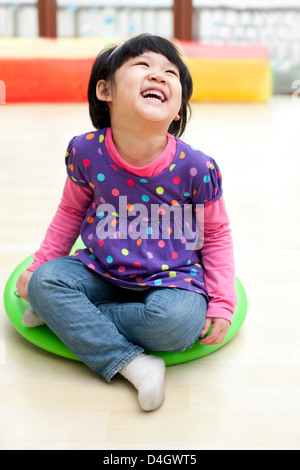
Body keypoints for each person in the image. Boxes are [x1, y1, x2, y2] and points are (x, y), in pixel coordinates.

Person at [16, 34, 237, 411]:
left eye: (170, 73)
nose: (158, 76)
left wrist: (222, 301)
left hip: (172, 276)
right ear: (106, 90)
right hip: (100, 269)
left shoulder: (196, 167)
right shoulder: (86, 152)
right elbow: (69, 212)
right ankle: (133, 364)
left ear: (178, 109)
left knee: (179, 324)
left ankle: (69, 319)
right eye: (142, 66)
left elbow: (215, 233)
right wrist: (40, 266)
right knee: (45, 281)